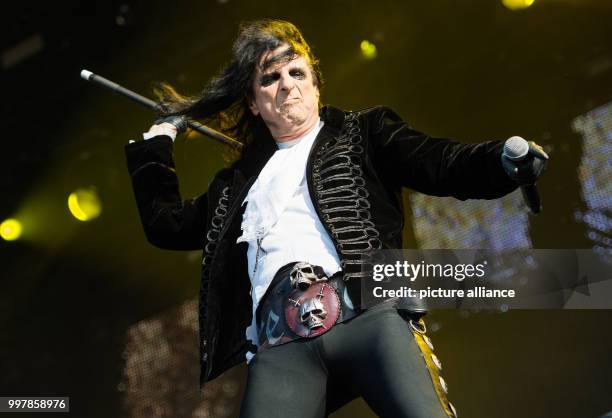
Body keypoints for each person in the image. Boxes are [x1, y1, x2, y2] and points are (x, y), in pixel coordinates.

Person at [125, 19, 547, 418]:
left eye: (296, 72)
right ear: (254, 103)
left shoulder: (363, 132)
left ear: (314, 82)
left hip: (369, 315)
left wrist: (503, 163)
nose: (287, 85)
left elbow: (440, 162)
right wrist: (158, 143)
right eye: (270, 78)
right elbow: (168, 225)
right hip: (281, 347)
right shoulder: (235, 186)